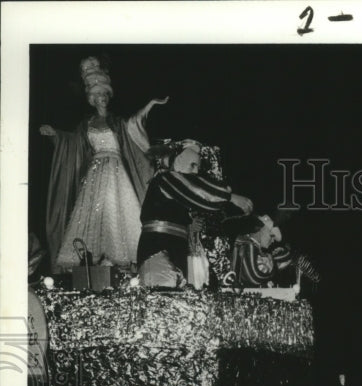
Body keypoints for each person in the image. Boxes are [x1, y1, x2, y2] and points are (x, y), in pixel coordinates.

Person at [40, 57, 167, 270]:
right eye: (98, 95)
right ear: (92, 98)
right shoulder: (86, 124)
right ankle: (91, 260)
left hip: (117, 173)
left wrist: (149, 106)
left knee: (116, 210)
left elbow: (134, 124)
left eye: (105, 94)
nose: (102, 98)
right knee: (92, 213)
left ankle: (123, 261)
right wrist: (57, 134)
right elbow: (74, 143)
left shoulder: (117, 122)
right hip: (95, 173)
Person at [136, 140, 253, 288]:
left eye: (198, 166)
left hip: (175, 249)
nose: (196, 171)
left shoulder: (177, 191)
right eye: (192, 165)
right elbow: (200, 192)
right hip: (158, 249)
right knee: (161, 298)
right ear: (178, 161)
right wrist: (231, 197)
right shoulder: (165, 179)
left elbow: (209, 205)